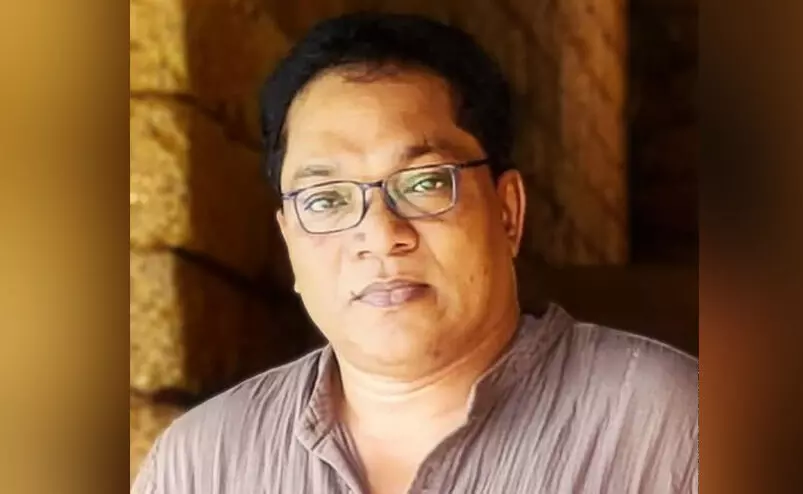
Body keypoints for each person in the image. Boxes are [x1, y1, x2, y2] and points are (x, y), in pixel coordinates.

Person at [132, 12, 698, 494]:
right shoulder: (203, 463)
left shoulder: (672, 427)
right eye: (326, 199)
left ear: (507, 212)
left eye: (424, 183)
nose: (381, 235)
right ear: (289, 241)